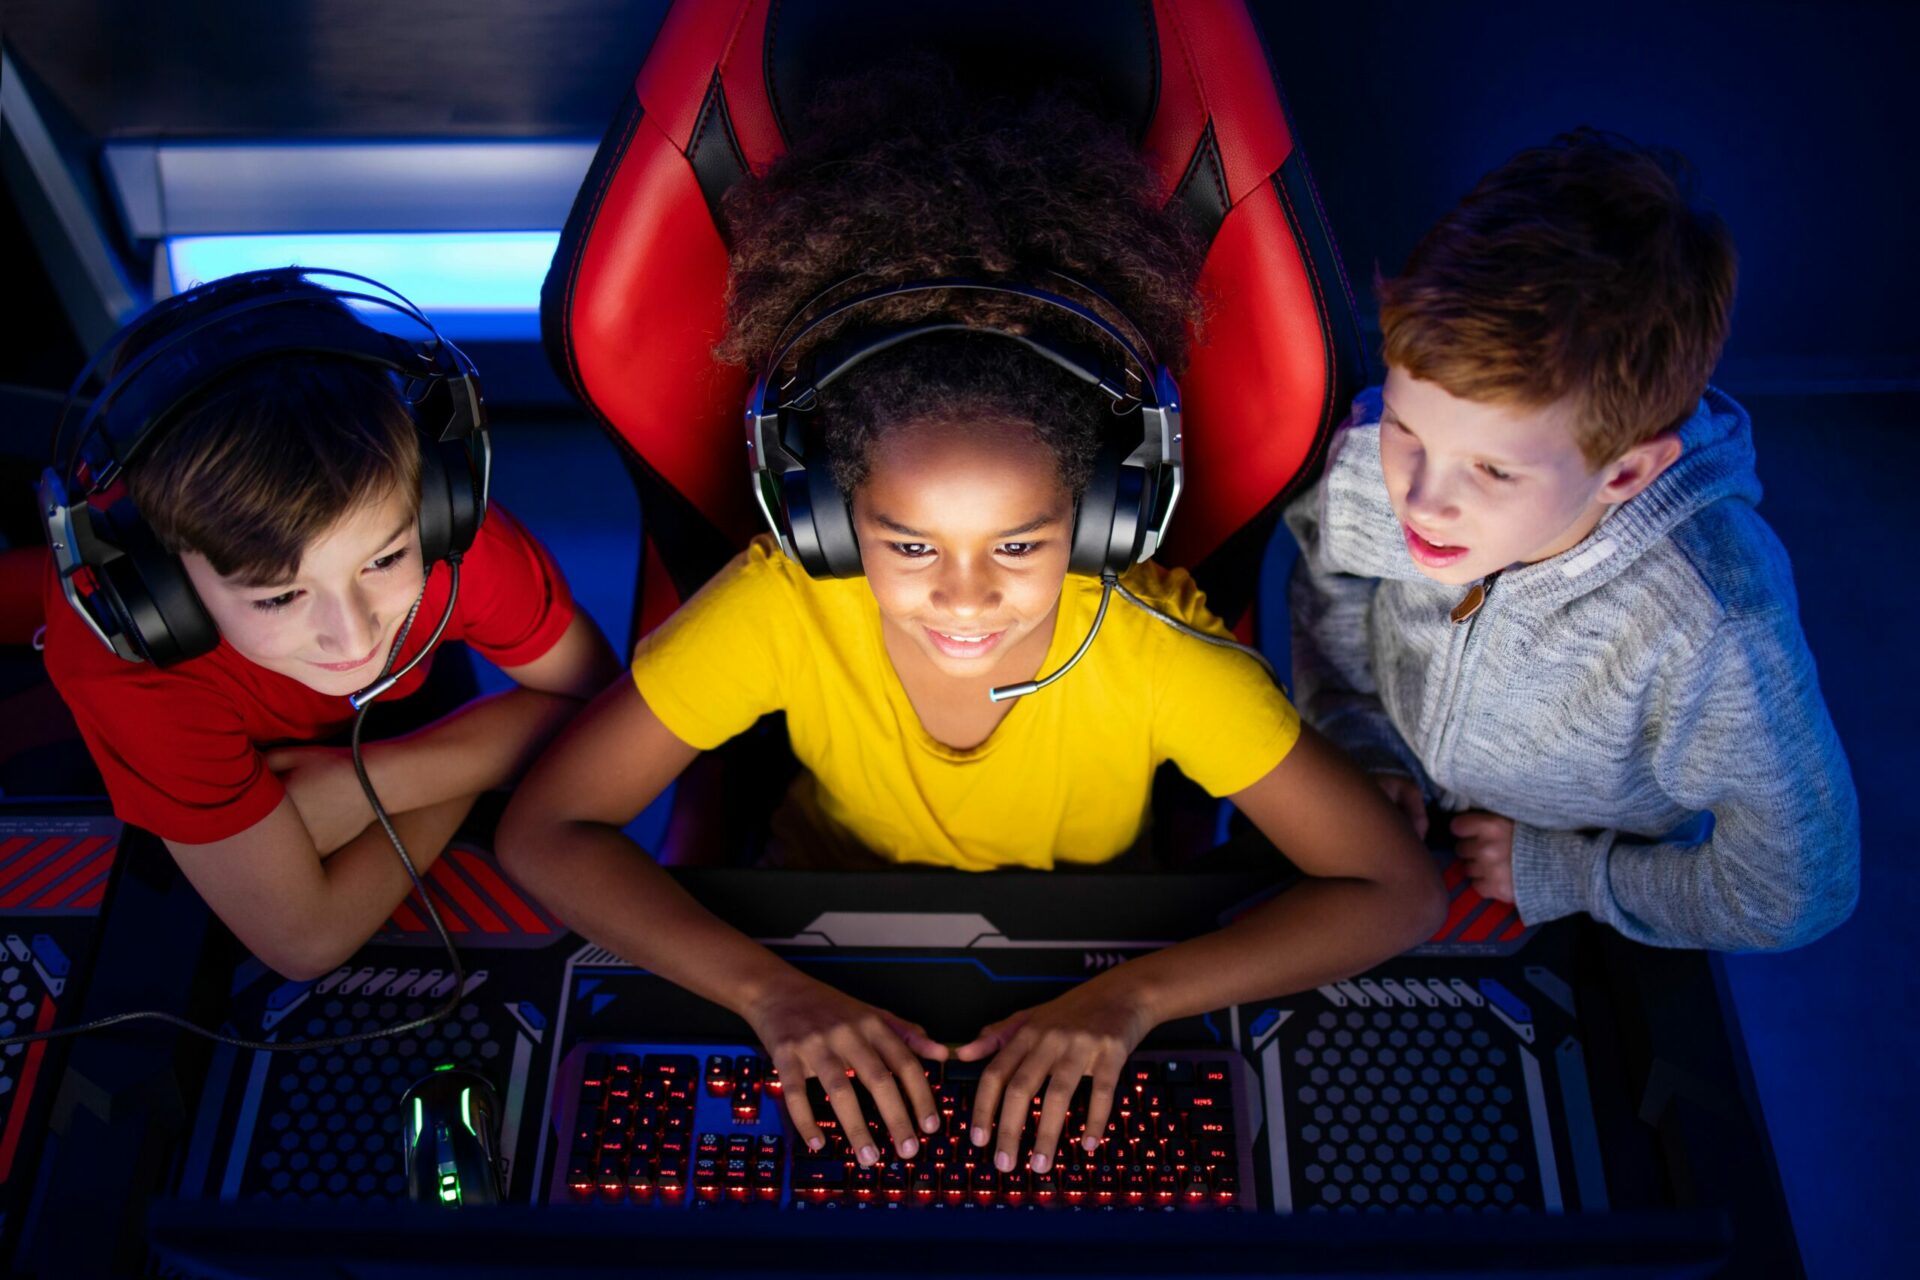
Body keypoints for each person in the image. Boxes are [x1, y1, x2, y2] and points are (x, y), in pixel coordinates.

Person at [498, 68, 1446, 1180]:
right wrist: (771, 990)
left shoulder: (1159, 654)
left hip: (1091, 968)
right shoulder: (784, 599)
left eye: (1020, 544)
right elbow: (543, 829)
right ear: (826, 514)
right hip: (809, 944)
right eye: (907, 545)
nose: (962, 597)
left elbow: (1400, 890)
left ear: (1100, 519)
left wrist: (1136, 995)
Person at [1285, 130, 1859, 952]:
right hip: (1393, 804)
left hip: (1590, 887)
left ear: (1624, 474)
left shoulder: (1717, 626)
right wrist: (1361, 739)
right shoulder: (1386, 459)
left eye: (1491, 469)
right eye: (1406, 429)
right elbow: (1329, 565)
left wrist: (1572, 876)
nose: (1418, 497)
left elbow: (1797, 888)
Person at [42, 270, 621, 980]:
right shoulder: (130, 667)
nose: (355, 640)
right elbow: (304, 941)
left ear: (438, 504)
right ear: (160, 590)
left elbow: (611, 714)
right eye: (279, 598)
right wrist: (490, 750)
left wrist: (374, 783)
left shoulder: (454, 543)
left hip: (385, 743)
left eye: (382, 560)